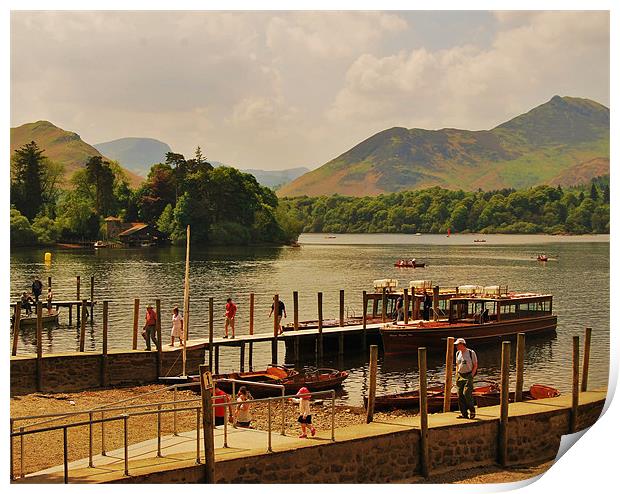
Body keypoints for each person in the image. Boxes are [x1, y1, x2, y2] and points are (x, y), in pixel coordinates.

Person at [454, 338, 478, 419]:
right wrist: (456, 374)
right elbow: (457, 365)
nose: (456, 346)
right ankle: (464, 414)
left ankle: (472, 410)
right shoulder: (457, 353)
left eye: (457, 344)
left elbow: (475, 365)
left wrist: (471, 375)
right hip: (460, 375)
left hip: (468, 375)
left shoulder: (471, 352)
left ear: (462, 344)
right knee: (459, 394)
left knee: (467, 393)